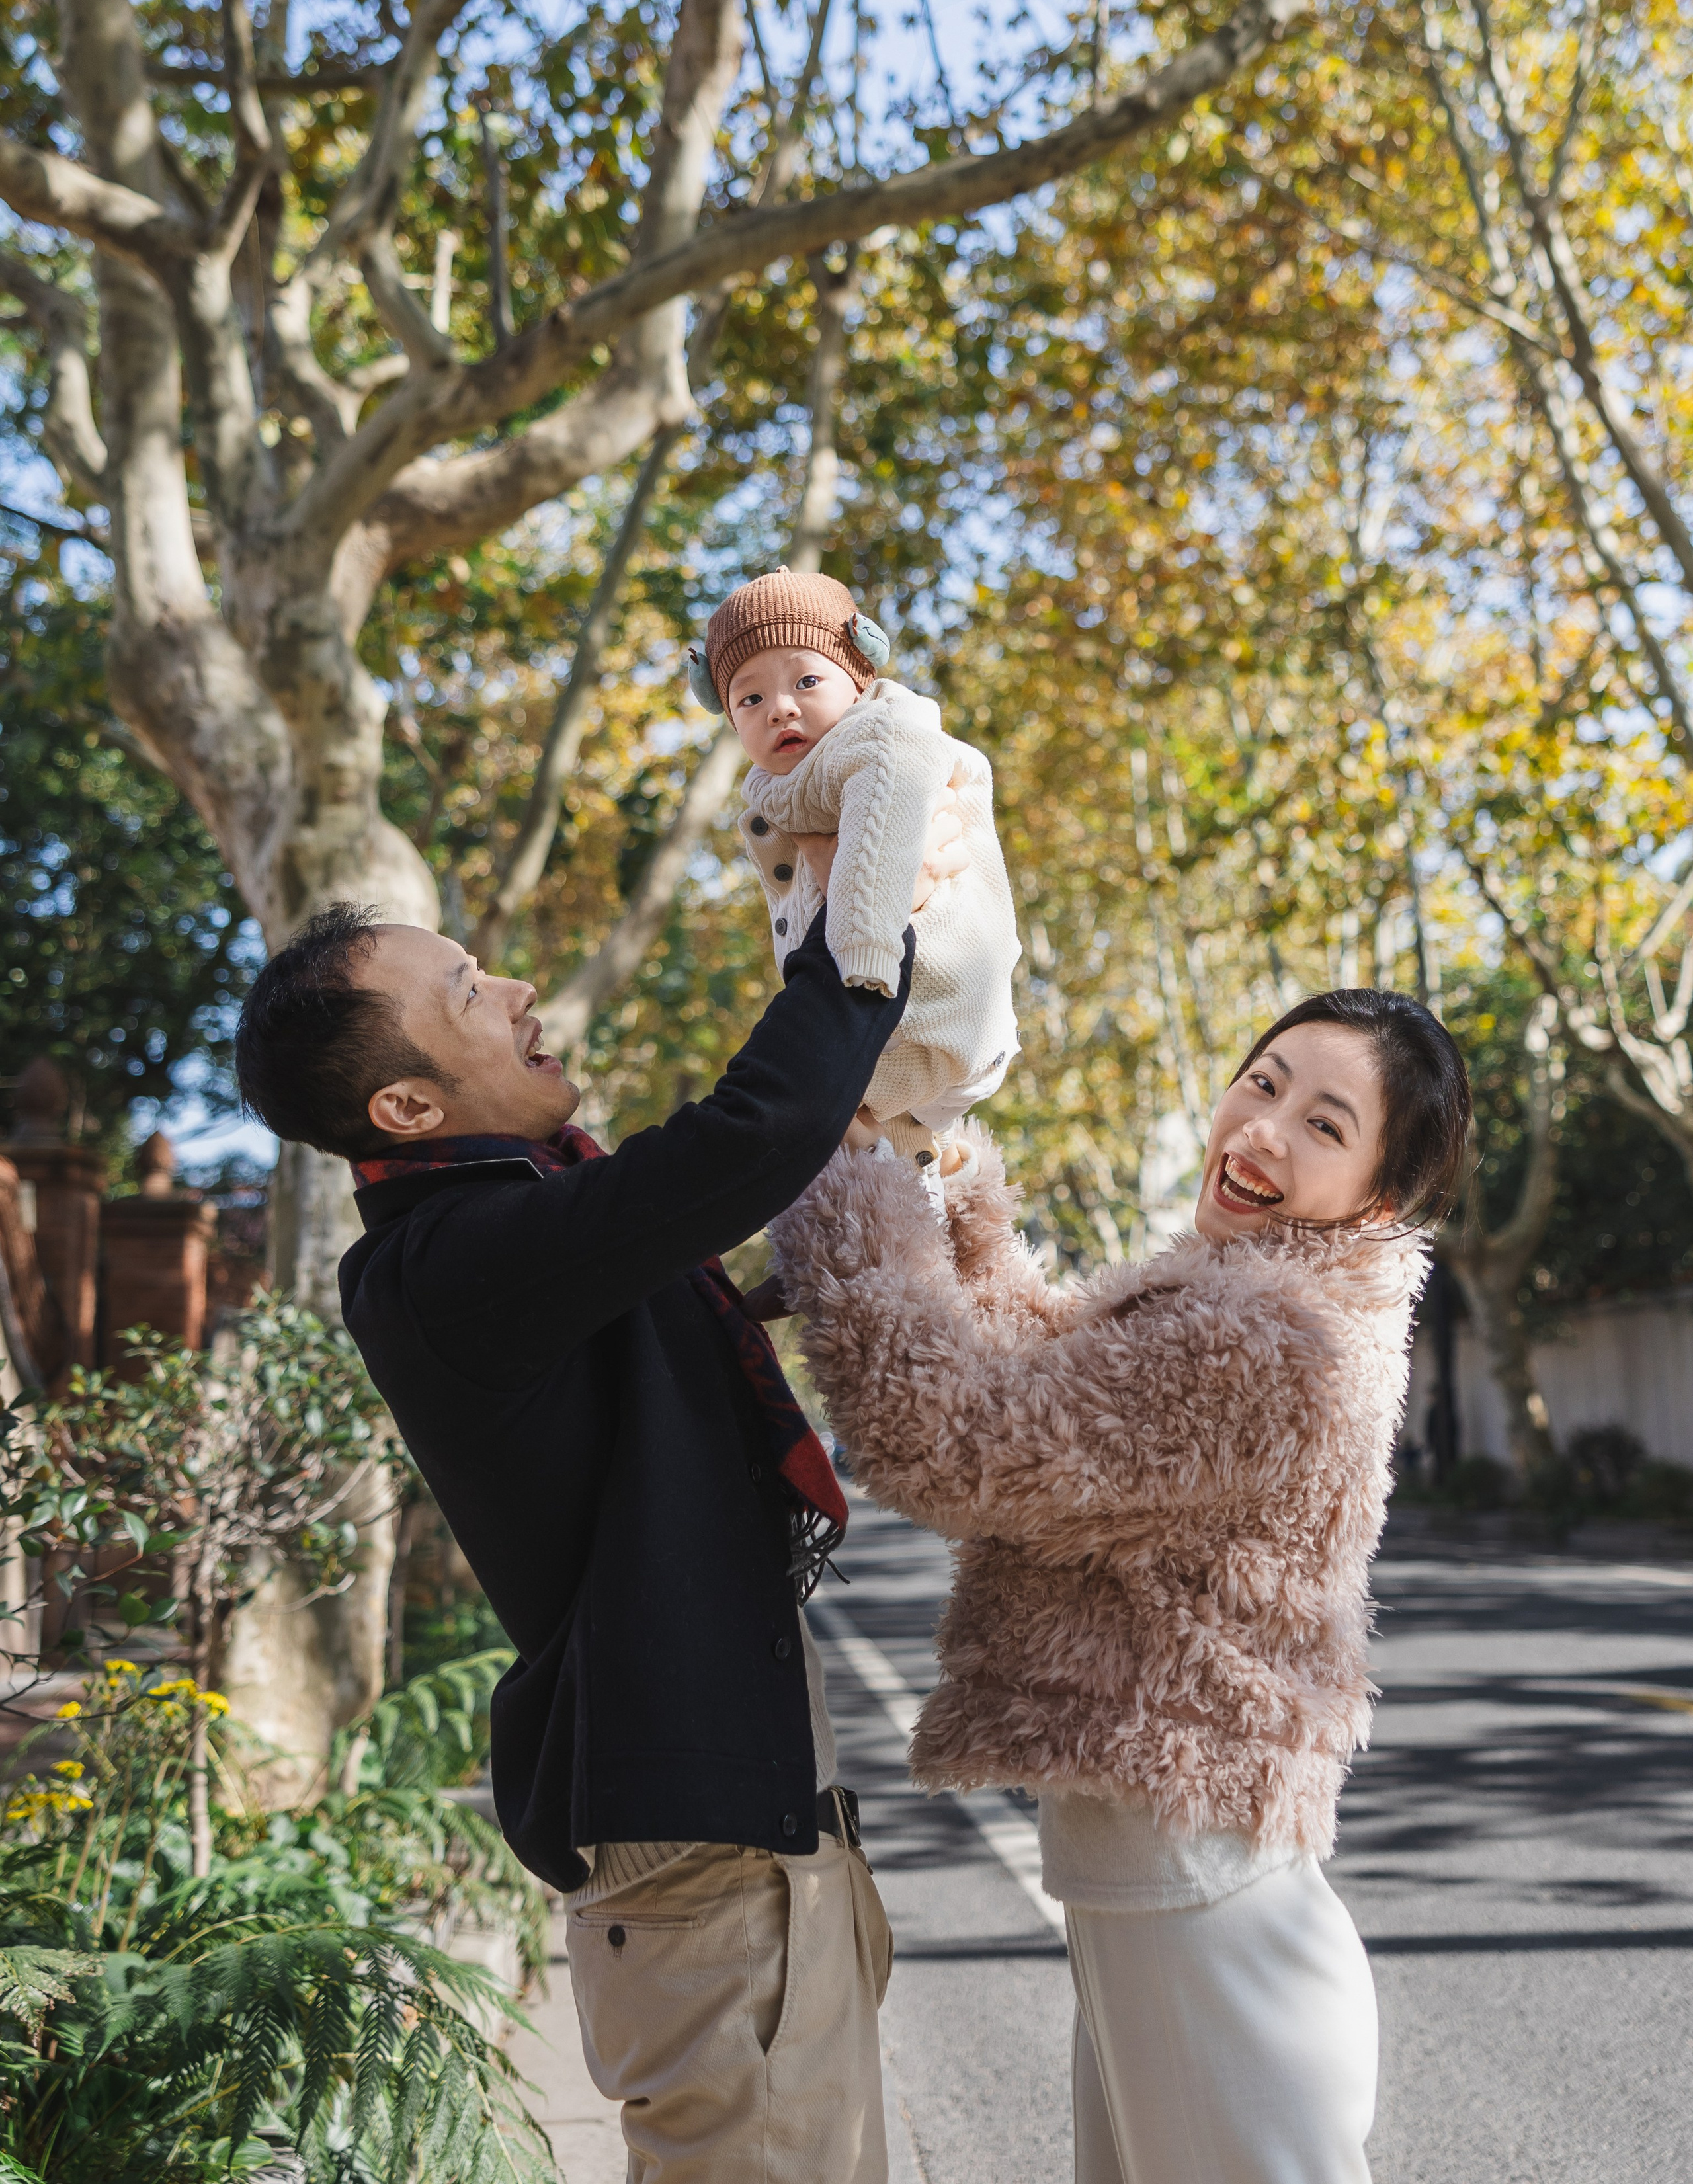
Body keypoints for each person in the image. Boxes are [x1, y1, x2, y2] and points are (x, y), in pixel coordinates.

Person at [230, 828, 961, 2184]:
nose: (512, 989)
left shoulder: (501, 1230)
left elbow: (634, 1357)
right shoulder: (449, 1258)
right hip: (703, 1861)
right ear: (404, 1106)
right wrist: (855, 931)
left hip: (743, 1842)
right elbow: (746, 1139)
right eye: (463, 993)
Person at [764, 989, 1472, 2184]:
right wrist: (948, 1198)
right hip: (1182, 1880)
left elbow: (954, 1438)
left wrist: (844, 1191)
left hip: (1201, 1893)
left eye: (1325, 1124)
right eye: (1264, 1081)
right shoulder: (1246, 1299)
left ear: (1378, 1201)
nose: (1263, 1129)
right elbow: (1047, 1364)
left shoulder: (1272, 1338)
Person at [690, 566, 1021, 1178]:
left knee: (820, 1114)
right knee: (864, 1154)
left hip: (932, 1001)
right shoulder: (783, 786)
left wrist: (863, 950)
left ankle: (913, 1160)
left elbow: (881, 842)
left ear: (860, 676)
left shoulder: (884, 738)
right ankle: (926, 1157)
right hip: (895, 1018)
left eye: (807, 680)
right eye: (749, 698)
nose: (780, 708)